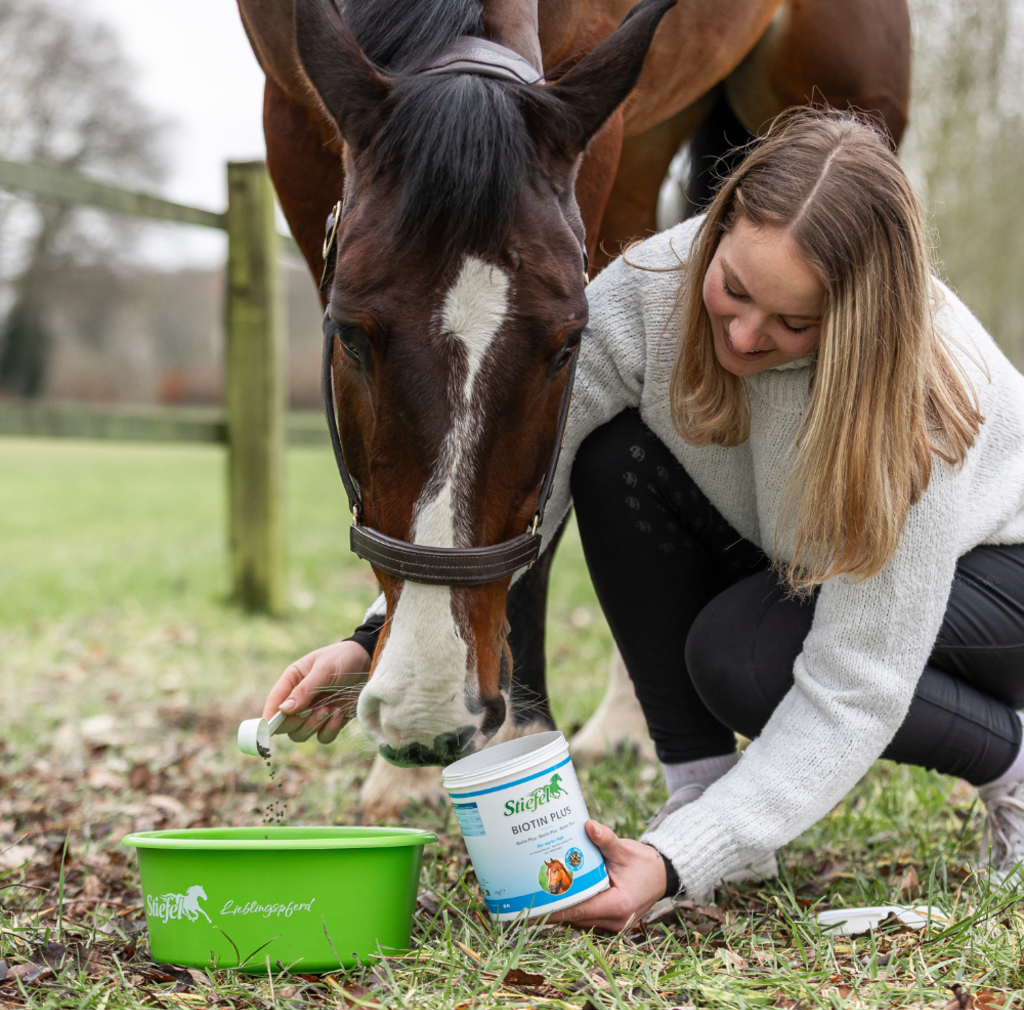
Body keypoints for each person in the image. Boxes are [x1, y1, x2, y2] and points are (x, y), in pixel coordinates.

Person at [261, 108, 1024, 931]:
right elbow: (527, 484)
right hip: (798, 551)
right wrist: (375, 641)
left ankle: (1014, 770)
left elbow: (857, 684)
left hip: (1001, 574)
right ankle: (696, 786)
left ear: (856, 318)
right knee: (608, 458)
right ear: (716, 229)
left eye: (794, 323)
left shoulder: (916, 406)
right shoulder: (649, 290)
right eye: (735, 290)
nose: (744, 334)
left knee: (747, 655)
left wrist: (676, 862)